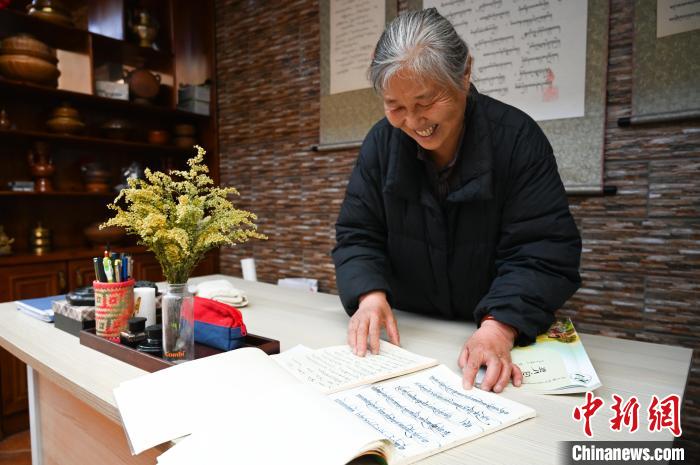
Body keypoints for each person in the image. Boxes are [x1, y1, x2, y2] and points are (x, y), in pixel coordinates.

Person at [332, 8, 582, 393]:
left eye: (426, 101)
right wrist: (369, 296)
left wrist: (499, 326)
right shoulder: (381, 143)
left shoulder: (517, 139)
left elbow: (544, 249)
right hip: (411, 337)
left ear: (464, 74)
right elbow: (358, 234)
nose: (414, 121)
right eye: (396, 106)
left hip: (495, 331)